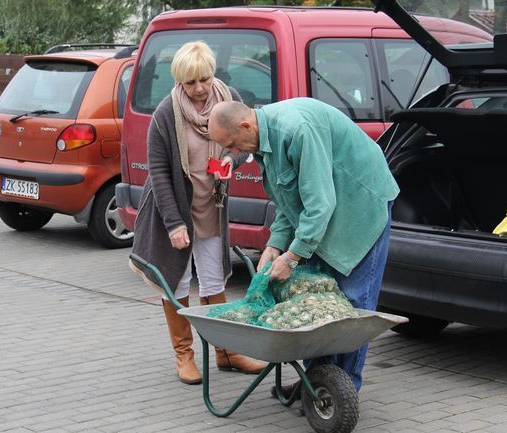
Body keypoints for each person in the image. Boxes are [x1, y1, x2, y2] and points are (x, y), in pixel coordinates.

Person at [208, 97, 399, 394]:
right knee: (313, 298)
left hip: (360, 204)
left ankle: (341, 391)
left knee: (352, 303)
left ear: (245, 125)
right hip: (329, 206)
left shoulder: (297, 130)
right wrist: (275, 245)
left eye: (231, 144)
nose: (232, 154)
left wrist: (293, 257)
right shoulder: (261, 139)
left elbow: (320, 205)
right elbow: (289, 199)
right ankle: (315, 384)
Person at [129, 41, 267, 385]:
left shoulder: (228, 98)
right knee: (176, 281)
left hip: (211, 205)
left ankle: (226, 352)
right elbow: (158, 171)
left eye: (204, 78)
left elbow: (242, 145)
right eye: (191, 82)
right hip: (173, 208)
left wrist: (229, 162)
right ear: (180, 82)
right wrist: (174, 223)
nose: (200, 88)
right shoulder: (166, 112)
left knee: (214, 278)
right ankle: (184, 355)